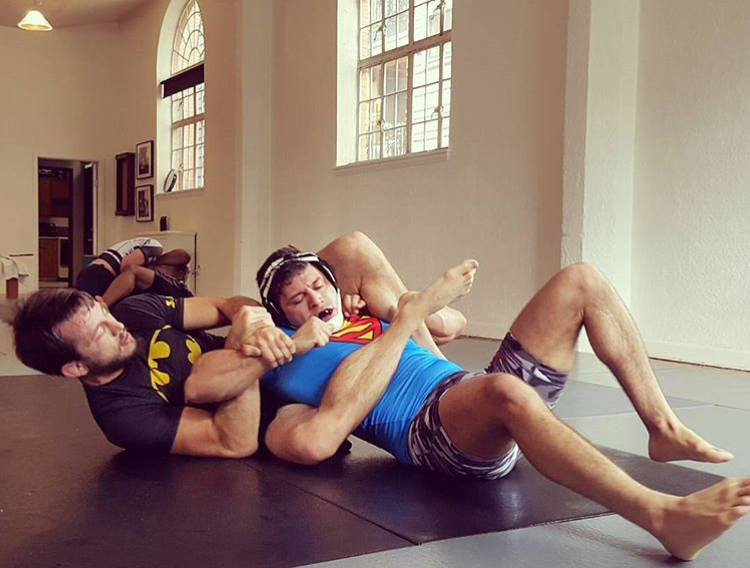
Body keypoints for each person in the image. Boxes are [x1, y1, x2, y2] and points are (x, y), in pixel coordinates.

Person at [212, 244, 744, 562]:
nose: (315, 299)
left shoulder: (365, 315)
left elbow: (357, 253)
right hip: (432, 431)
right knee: (504, 391)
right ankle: (661, 516)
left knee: (581, 280)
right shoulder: (289, 361)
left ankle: (662, 427)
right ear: (282, 315)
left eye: (319, 285)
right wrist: (248, 316)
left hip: (470, 387)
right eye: (297, 298)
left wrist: (408, 313)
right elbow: (311, 438)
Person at [8, 233, 461, 456]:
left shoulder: (133, 314)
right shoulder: (125, 416)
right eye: (100, 331)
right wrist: (257, 350)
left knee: (352, 249)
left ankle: (434, 352)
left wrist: (254, 321)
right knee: (205, 380)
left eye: (105, 313)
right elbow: (234, 441)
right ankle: (410, 318)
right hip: (266, 390)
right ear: (75, 368)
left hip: (273, 343)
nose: (117, 325)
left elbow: (229, 305)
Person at [75, 236, 192, 306]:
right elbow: (126, 266)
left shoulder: (150, 261)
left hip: (93, 274)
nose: (160, 277)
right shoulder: (156, 248)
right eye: (165, 276)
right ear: (166, 266)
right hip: (99, 274)